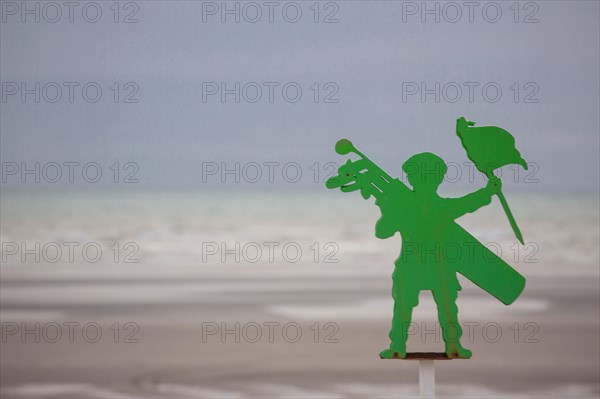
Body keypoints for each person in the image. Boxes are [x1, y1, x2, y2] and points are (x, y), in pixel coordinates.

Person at [375, 152, 501, 359]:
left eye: (429, 177)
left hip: (430, 265)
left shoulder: (427, 207)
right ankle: (402, 345)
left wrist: (488, 191)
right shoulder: (435, 207)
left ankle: (447, 345)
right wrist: (387, 209)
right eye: (422, 176)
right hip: (420, 265)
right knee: (416, 307)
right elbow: (383, 232)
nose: (425, 181)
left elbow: (469, 202)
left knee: (438, 307)